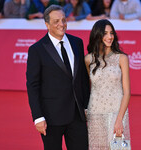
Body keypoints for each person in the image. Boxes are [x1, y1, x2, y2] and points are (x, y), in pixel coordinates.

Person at [26, 5, 90, 150]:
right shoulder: (37, 50)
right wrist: (38, 117)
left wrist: (86, 105)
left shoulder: (77, 43)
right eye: (56, 21)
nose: (61, 24)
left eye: (63, 20)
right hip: (51, 117)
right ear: (47, 25)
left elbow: (82, 78)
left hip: (77, 115)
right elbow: (33, 85)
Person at [85, 19, 131, 149]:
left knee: (117, 148)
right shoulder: (88, 59)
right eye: (105, 33)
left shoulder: (121, 58)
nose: (110, 37)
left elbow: (127, 92)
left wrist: (119, 119)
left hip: (116, 112)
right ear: (97, 34)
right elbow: (87, 88)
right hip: (95, 113)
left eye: (111, 33)